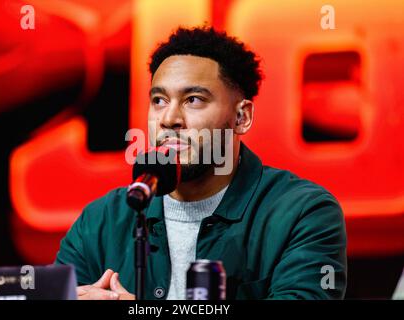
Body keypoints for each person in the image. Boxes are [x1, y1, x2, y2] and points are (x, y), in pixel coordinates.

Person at [55, 26, 347, 300]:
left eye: (193, 99)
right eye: (159, 100)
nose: (169, 119)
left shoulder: (303, 213)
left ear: (241, 117)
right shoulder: (101, 220)